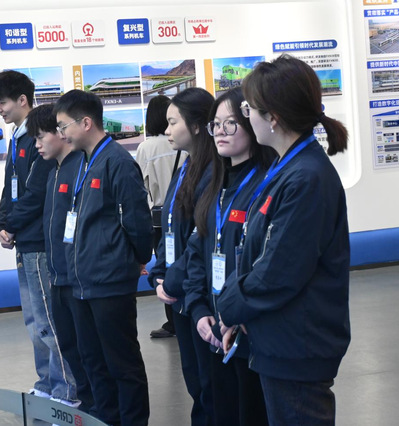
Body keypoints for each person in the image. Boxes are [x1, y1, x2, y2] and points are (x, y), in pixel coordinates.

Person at [216, 54, 351, 426]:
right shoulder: (286, 167)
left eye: (248, 109)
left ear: (272, 117)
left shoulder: (305, 178)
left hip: (298, 344)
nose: (246, 117)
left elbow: (278, 271)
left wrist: (229, 307)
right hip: (280, 337)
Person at [53, 89, 153, 426]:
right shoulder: (84, 161)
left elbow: (137, 221)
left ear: (85, 123)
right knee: (94, 363)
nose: (61, 134)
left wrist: (135, 258)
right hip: (82, 283)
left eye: (63, 126)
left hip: (110, 282)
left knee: (122, 363)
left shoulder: (118, 163)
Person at [184, 87, 275, 425]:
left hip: (247, 330)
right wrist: (198, 309)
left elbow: (263, 262)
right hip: (212, 329)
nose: (220, 132)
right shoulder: (215, 186)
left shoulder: (266, 184)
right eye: (215, 124)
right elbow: (197, 252)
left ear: (251, 125)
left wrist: (233, 313)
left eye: (230, 123)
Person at [0, 70, 78, 405]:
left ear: (22, 100)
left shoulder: (38, 138)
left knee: (48, 321)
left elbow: (36, 193)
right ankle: (47, 383)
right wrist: (0, 223)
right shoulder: (17, 138)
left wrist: (11, 225)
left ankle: (66, 389)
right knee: (33, 320)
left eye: (2, 102)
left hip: (39, 241)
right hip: (23, 241)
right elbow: (10, 189)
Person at [147, 87, 216, 426]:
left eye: (173, 122)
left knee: (210, 385)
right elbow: (171, 226)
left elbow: (197, 238)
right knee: (195, 380)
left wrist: (171, 280)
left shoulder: (213, 171)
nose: (167, 130)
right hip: (179, 292)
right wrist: (159, 272)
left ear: (198, 125)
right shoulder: (185, 166)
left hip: (196, 292)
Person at [25, 103, 95, 412]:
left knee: (85, 347)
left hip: (77, 276)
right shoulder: (54, 170)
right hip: (59, 273)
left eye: (41, 137)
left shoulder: (81, 168)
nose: (37, 145)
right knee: (64, 340)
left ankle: (81, 401)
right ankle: (81, 401)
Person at [135, 94, 184, 339]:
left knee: (165, 264)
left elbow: (141, 186)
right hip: (184, 213)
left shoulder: (147, 147)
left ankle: (171, 321)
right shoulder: (182, 143)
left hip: (158, 217)